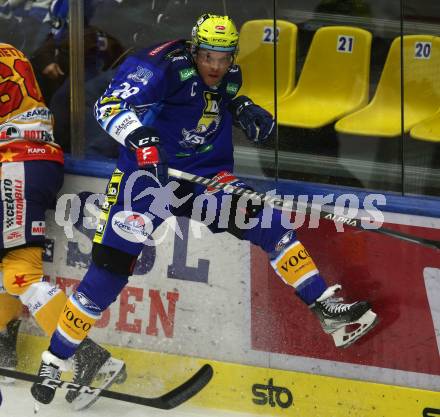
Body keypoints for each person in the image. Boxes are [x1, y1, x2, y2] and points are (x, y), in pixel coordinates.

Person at [31, 14, 378, 405]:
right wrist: (141, 139)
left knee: (268, 223)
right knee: (107, 272)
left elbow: (214, 98)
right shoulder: (160, 66)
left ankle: (324, 306)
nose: (216, 66)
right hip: (145, 181)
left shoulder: (229, 75)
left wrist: (243, 104)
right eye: (208, 57)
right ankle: (54, 359)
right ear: (194, 50)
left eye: (224, 57)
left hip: (204, 180)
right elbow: (108, 106)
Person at [0, 42, 126, 406]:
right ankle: (5, 350)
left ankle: (88, 357)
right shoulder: (9, 49)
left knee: (20, 272)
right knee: (7, 263)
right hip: (30, 160)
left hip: (16, 164)